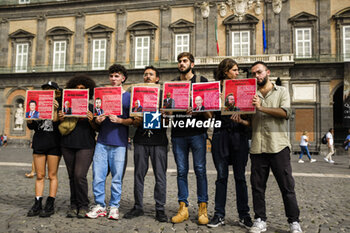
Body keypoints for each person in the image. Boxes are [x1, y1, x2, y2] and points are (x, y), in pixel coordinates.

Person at [246, 61, 302, 233]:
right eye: (253, 73)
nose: (257, 76)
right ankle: (260, 219)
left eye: (259, 72)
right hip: (257, 147)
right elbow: (251, 122)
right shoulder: (250, 94)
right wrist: (241, 120)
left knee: (287, 186)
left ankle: (294, 222)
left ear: (268, 72)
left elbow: (285, 113)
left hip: (278, 146)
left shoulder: (282, 91)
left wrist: (261, 107)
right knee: (257, 187)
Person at [207, 58, 253, 229]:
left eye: (237, 70)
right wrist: (214, 102)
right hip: (220, 136)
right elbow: (210, 116)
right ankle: (219, 215)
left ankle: (244, 215)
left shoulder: (243, 89)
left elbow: (249, 116)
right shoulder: (214, 89)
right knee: (221, 177)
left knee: (240, 178)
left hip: (239, 135)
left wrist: (242, 119)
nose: (237, 73)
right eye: (234, 70)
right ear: (225, 71)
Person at [86, 64, 133, 220]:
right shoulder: (102, 95)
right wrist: (97, 120)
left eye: (117, 76)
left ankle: (114, 206)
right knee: (98, 175)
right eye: (111, 76)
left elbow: (133, 120)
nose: (113, 79)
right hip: (102, 141)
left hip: (119, 142)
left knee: (116, 177)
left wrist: (120, 120)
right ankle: (99, 205)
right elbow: (96, 117)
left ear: (123, 78)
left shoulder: (128, 97)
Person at [123, 65, 168, 222]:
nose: (147, 77)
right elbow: (132, 121)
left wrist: (165, 114)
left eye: (151, 74)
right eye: (145, 74)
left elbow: (170, 120)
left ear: (157, 79)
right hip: (141, 139)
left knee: (160, 176)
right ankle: (138, 206)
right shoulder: (136, 94)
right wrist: (135, 120)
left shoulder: (163, 94)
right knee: (138, 174)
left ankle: (160, 209)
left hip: (159, 140)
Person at [170, 52, 210, 225]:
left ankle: (203, 208)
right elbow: (167, 108)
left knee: (200, 170)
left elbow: (210, 112)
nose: (181, 63)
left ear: (192, 64)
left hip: (197, 132)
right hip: (178, 133)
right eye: (179, 61)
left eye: (185, 61)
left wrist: (197, 110)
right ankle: (183, 207)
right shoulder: (172, 84)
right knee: (181, 171)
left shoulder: (202, 82)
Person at [59, 75, 98, 218]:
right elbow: (58, 125)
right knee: (71, 176)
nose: (80, 90)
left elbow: (97, 128)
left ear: (88, 91)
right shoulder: (66, 106)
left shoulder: (91, 107)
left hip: (86, 144)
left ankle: (83, 205)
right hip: (67, 143)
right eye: (77, 88)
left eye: (83, 88)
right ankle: (73, 204)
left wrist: (91, 120)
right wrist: (60, 117)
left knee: (79, 175)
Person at [26, 81, 61, 218]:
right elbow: (32, 126)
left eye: (51, 90)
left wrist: (54, 109)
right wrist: (29, 120)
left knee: (52, 175)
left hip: (54, 143)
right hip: (40, 142)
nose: (48, 91)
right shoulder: (36, 104)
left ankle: (50, 203)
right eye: (46, 89)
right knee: (40, 175)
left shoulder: (59, 104)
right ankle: (37, 202)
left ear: (56, 92)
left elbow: (56, 122)